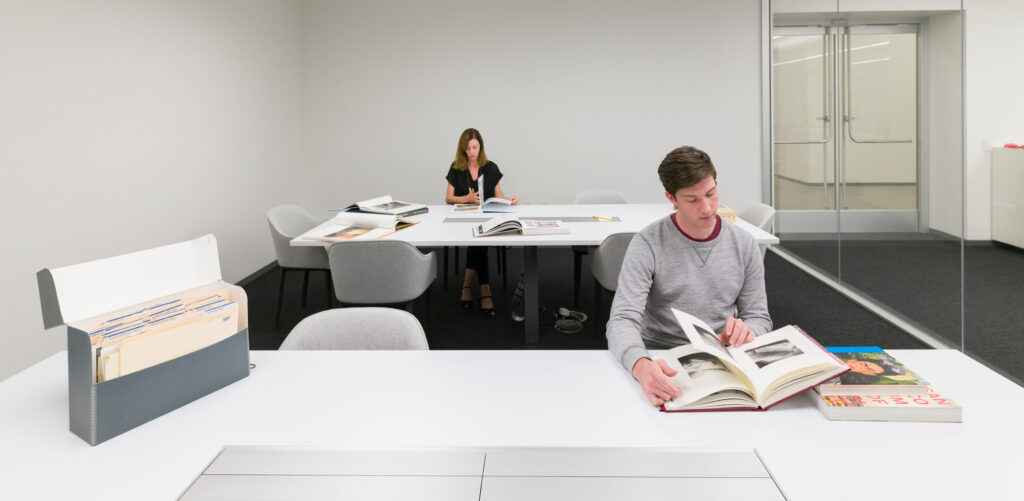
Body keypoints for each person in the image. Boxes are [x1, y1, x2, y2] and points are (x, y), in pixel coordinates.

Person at [606, 146, 772, 406]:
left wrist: (747, 331)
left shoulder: (744, 243)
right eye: (692, 200)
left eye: (711, 193)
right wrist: (641, 365)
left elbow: (759, 317)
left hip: (724, 354)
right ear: (671, 197)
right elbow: (622, 320)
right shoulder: (648, 243)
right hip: (661, 353)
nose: (706, 208)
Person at [444, 128, 518, 316]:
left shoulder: (490, 167)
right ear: (463, 150)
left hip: (487, 219)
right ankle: (485, 290)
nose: (472, 152)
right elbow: (449, 198)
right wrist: (467, 198)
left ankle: (467, 285)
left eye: (475, 147)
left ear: (481, 147)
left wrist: (509, 200)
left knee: (479, 241)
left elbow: (499, 195)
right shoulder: (456, 167)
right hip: (461, 221)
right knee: (479, 242)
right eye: (468, 148)